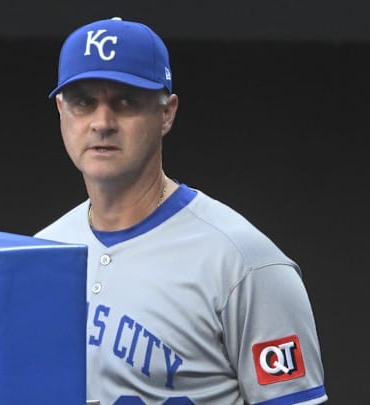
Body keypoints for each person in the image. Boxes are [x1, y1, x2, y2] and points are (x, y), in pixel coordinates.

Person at [35, 16, 327, 405]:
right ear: (60, 110)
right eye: (83, 102)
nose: (102, 123)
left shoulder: (244, 263)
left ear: (167, 113)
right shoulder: (41, 251)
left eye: (126, 101)